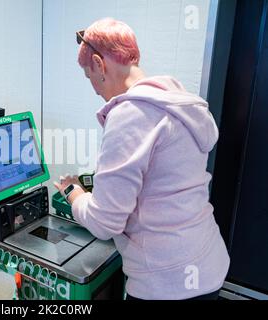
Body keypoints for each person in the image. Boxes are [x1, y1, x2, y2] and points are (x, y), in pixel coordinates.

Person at [53, 18, 230, 300]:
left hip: (167, 282)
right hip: (207, 261)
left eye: (89, 77)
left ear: (99, 64)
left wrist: (74, 193)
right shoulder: (176, 101)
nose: (95, 90)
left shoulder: (130, 114)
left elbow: (104, 223)